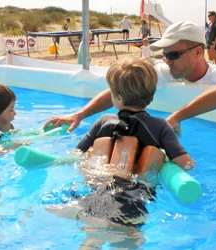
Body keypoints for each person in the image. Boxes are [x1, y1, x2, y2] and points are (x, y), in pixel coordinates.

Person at [46, 58, 194, 248]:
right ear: (151, 95)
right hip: (134, 198)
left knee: (92, 234)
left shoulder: (103, 121)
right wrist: (167, 162)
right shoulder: (160, 126)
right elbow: (186, 164)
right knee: (129, 238)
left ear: (118, 97)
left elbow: (77, 155)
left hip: (96, 191)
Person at [44, 21, 216, 137]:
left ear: (198, 52)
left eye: (173, 55)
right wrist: (80, 115)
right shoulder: (168, 72)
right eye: (164, 55)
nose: (167, 60)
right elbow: (123, 89)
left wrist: (177, 116)